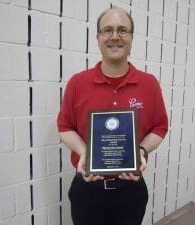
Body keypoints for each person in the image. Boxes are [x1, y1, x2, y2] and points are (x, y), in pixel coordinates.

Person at [57, 6, 168, 225]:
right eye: (107, 30)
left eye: (122, 30)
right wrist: (84, 152)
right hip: (87, 191)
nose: (115, 36)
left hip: (131, 191)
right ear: (98, 38)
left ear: (132, 38)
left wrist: (141, 151)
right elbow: (64, 127)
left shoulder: (149, 84)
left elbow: (160, 127)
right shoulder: (78, 83)